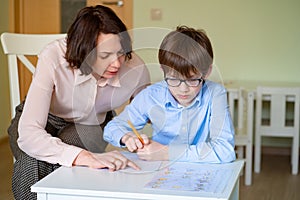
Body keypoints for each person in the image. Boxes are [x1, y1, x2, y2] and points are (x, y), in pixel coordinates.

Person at [8, 5, 150, 200]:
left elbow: (150, 110)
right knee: (30, 159)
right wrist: (85, 157)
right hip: (45, 116)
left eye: (120, 53)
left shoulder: (135, 69)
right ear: (83, 52)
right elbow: (29, 134)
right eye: (104, 56)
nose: (117, 63)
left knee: (65, 148)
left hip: (91, 123)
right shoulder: (54, 56)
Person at [104, 25, 236, 163]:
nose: (183, 89)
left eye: (192, 80)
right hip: (159, 172)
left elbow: (225, 151)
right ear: (163, 70)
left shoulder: (215, 94)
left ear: (206, 72)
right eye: (173, 79)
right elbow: (112, 127)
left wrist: (167, 153)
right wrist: (127, 137)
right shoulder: (151, 96)